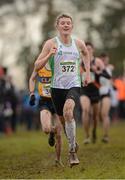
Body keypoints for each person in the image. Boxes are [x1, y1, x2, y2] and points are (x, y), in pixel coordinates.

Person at [34, 13, 90, 167]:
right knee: (64, 121)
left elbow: (86, 54)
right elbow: (37, 65)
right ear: (57, 26)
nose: (66, 25)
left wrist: (87, 72)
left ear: (72, 26)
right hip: (56, 88)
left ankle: (72, 152)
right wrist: (49, 55)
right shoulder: (50, 43)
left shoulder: (78, 43)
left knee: (68, 111)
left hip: (73, 84)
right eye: (63, 23)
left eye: (68, 23)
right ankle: (73, 142)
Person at [29, 62, 64, 166]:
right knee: (46, 129)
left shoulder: (59, 63)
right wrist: (31, 93)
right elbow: (32, 79)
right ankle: (51, 133)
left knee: (59, 133)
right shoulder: (39, 65)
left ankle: (58, 159)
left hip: (57, 100)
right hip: (45, 101)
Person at [80, 42, 110, 144]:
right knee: (85, 110)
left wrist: (97, 71)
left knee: (95, 117)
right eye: (86, 48)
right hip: (84, 90)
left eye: (89, 48)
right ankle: (87, 135)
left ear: (93, 50)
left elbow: (107, 76)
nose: (87, 50)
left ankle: (94, 131)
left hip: (95, 91)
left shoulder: (97, 61)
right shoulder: (79, 61)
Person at [99, 53, 113, 143]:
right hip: (97, 94)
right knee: (99, 115)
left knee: (104, 114)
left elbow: (109, 75)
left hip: (106, 93)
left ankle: (106, 135)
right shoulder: (97, 68)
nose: (104, 60)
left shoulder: (109, 68)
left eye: (105, 59)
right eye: (102, 59)